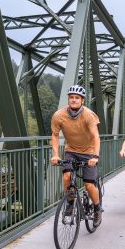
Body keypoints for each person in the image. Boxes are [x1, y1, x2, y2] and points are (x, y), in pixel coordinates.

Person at [50, 85, 102, 225]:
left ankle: (97, 209)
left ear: (82, 100)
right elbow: (55, 136)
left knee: (89, 185)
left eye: (77, 98)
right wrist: (55, 154)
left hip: (89, 152)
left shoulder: (88, 115)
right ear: (68, 99)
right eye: (71, 97)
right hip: (71, 151)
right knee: (67, 176)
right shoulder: (59, 116)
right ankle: (70, 203)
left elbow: (96, 137)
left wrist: (95, 157)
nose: (73, 100)